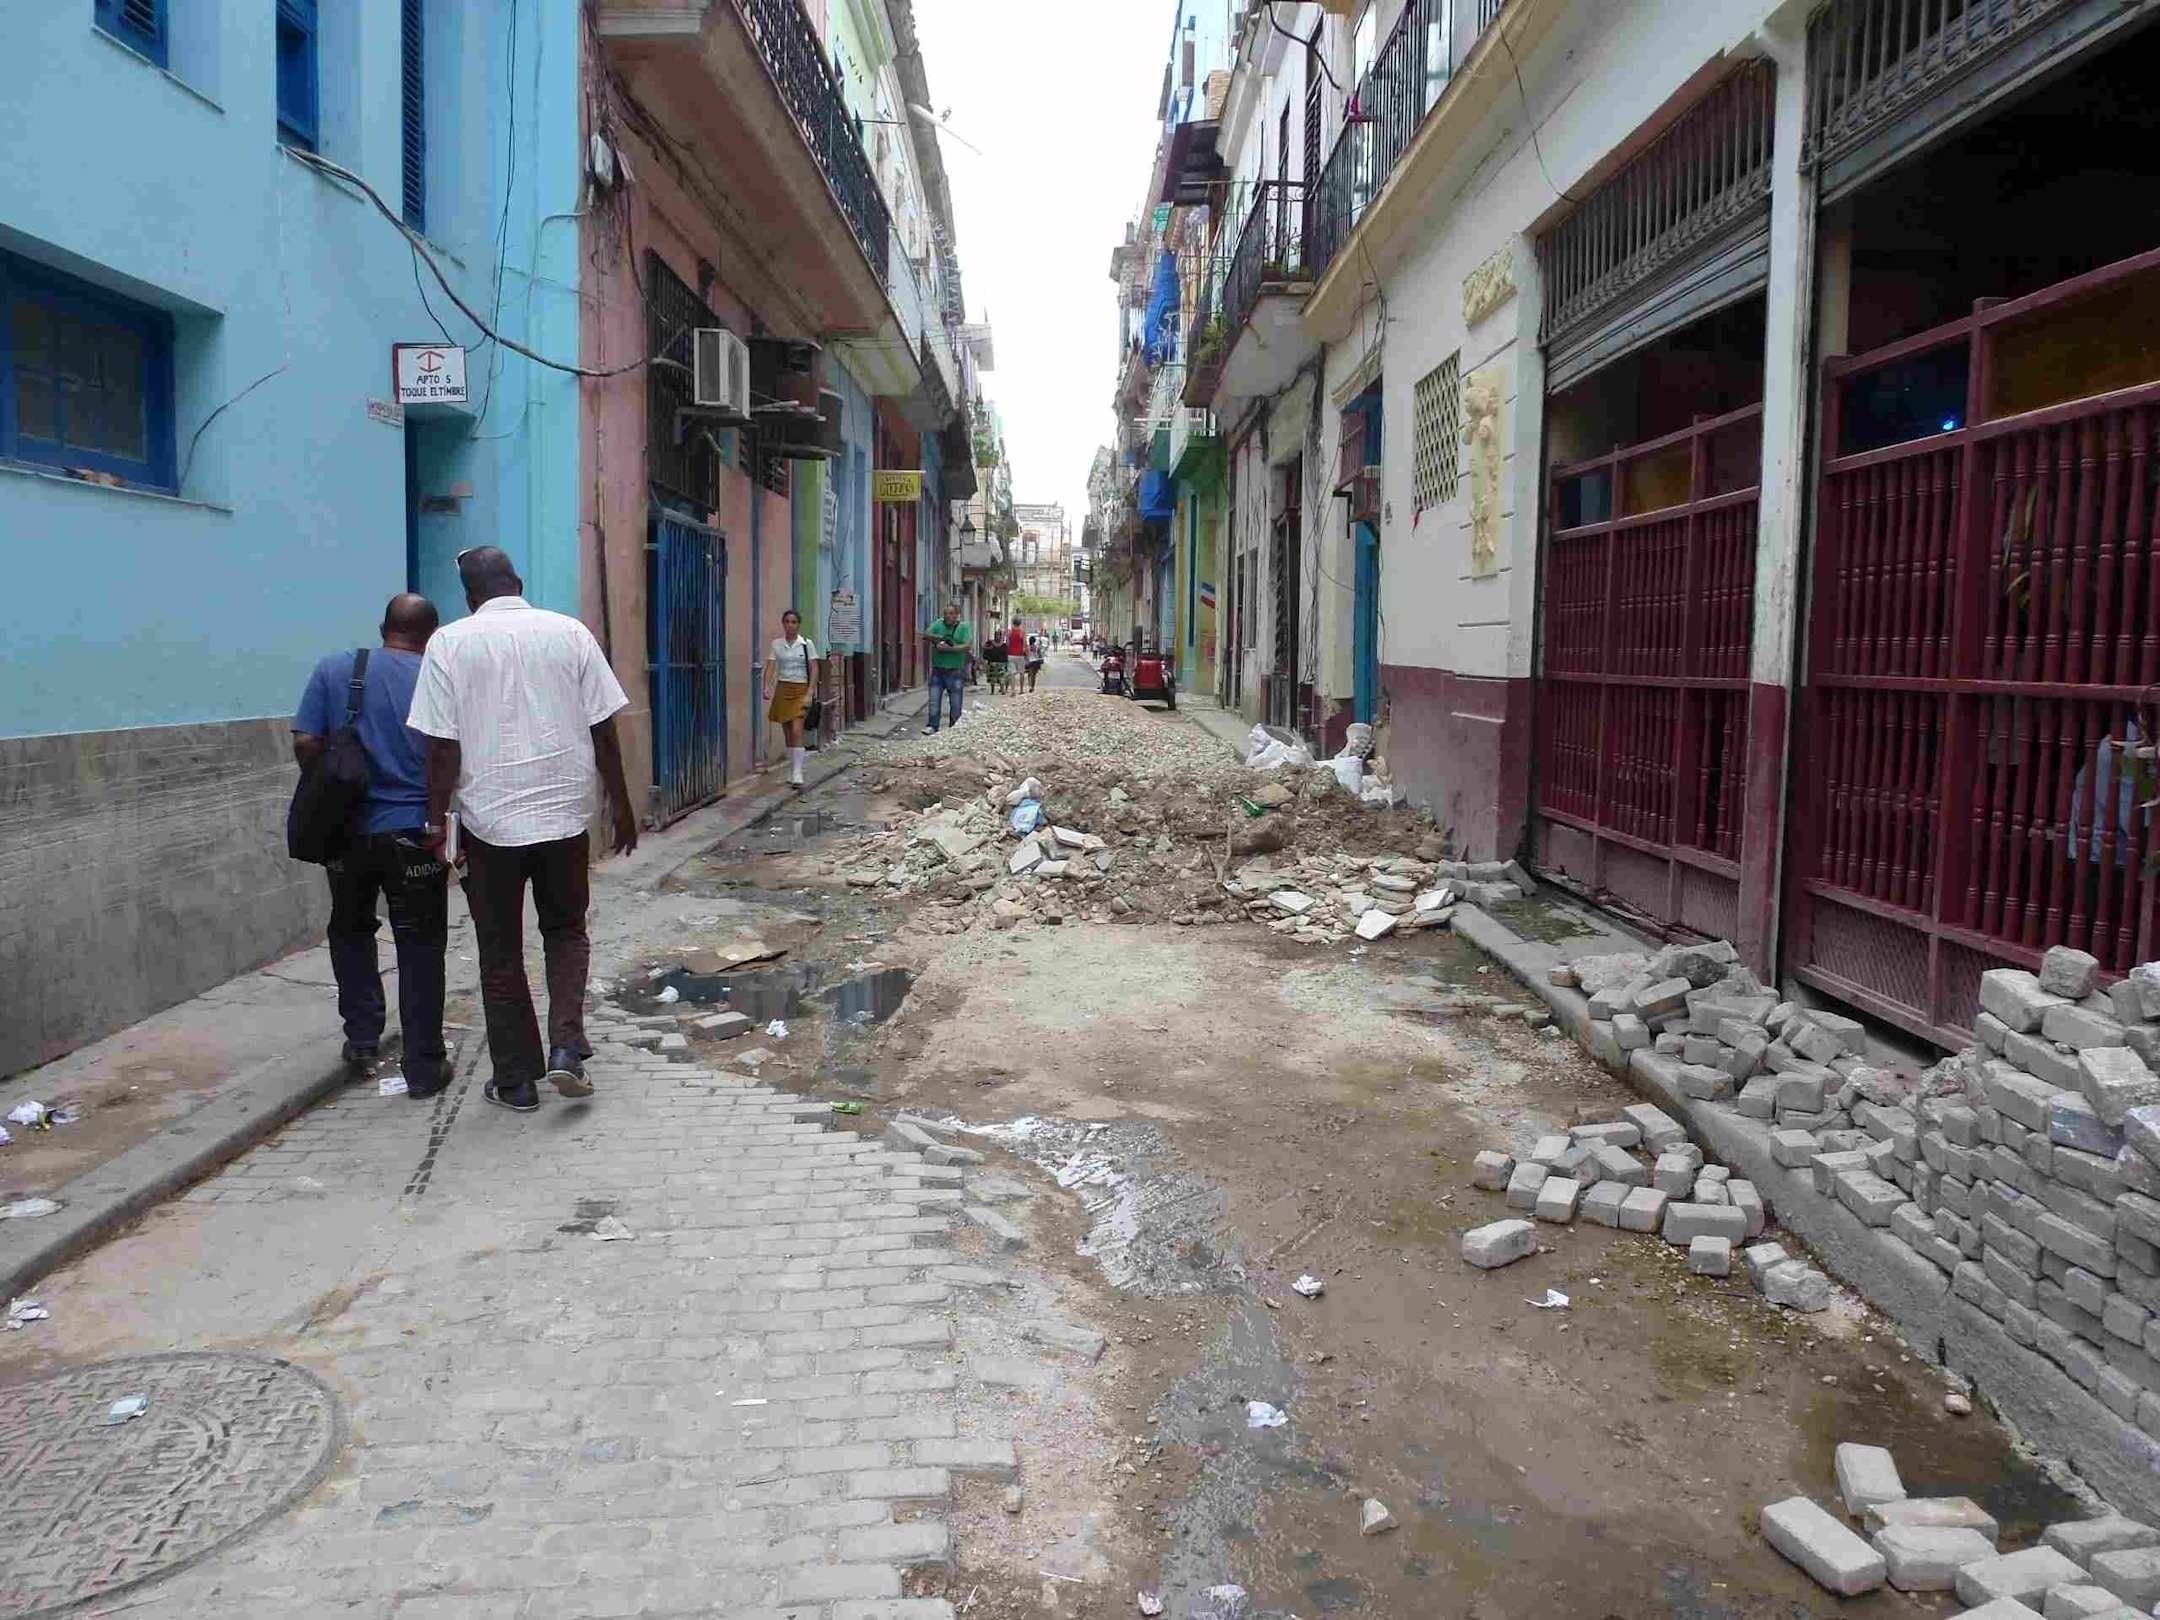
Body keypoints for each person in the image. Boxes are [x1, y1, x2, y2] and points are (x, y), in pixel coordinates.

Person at [407, 547, 638, 1114]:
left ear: (469, 595)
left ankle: (515, 1080)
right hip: (564, 819)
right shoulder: (570, 633)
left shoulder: (448, 643)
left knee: (500, 949)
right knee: (566, 931)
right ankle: (566, 1048)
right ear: (519, 582)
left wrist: (435, 820)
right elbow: (603, 728)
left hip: (490, 825)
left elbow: (441, 746)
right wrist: (622, 804)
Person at [292, 594, 450, 1099]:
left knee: (351, 928)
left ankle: (362, 1040)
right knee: (420, 945)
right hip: (413, 832)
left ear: (383, 628)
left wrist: (335, 782)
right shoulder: (437, 676)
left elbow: (305, 741)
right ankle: (423, 1067)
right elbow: (449, 753)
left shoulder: (336, 668)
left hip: (347, 831)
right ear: (432, 635)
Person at [763, 609, 818, 788]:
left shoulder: (806, 644)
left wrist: (810, 692)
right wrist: (767, 686)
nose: (790, 625)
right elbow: (771, 666)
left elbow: (814, 669)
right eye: (787, 622)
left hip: (800, 689)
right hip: (783, 688)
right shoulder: (776, 644)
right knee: (787, 732)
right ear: (783, 624)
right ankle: (792, 768)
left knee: (796, 730)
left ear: (798, 624)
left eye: (794, 622)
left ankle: (798, 773)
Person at [922, 598, 970, 734]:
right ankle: (932, 725)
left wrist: (951, 648)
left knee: (956, 703)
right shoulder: (938, 624)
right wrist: (941, 639)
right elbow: (926, 634)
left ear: (957, 615)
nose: (948, 616)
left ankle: (954, 728)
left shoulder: (963, 627)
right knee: (934, 700)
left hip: (956, 670)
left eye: (951, 614)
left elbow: (967, 645)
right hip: (938, 670)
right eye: (945, 614)